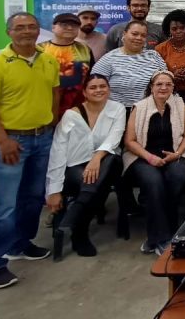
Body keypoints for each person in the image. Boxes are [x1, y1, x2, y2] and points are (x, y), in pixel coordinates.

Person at [0, 12, 60, 289]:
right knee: (3, 205)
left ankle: (20, 244)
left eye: (32, 27)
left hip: (42, 138)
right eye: (20, 28)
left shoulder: (48, 60)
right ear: (9, 32)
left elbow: (54, 94)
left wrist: (50, 123)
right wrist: (2, 140)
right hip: (11, 142)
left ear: (39, 31)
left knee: (33, 197)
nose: (27, 32)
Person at [45, 74, 125, 257]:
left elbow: (115, 137)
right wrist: (54, 190)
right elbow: (58, 152)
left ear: (108, 89)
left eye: (102, 86)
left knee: (112, 160)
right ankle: (80, 230)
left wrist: (97, 158)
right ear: (85, 92)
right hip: (75, 165)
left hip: (105, 161)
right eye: (93, 87)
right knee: (96, 184)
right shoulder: (71, 115)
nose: (99, 90)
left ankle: (76, 220)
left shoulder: (117, 109)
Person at [122, 70, 185, 256]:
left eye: (168, 84)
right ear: (151, 87)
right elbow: (130, 141)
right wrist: (150, 157)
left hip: (173, 154)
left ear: (173, 87)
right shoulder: (140, 106)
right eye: (159, 84)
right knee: (154, 183)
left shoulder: (179, 104)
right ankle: (160, 238)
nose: (164, 88)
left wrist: (177, 153)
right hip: (143, 156)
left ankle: (166, 234)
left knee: (177, 176)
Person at [91, 21, 167, 110]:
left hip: (151, 110)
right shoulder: (109, 58)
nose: (139, 38)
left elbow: (166, 81)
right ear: (124, 34)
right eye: (134, 34)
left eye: (143, 35)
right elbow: (94, 86)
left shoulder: (154, 56)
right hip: (118, 112)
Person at [40, 13, 95, 123]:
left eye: (74, 26)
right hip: (44, 105)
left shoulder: (84, 49)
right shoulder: (40, 49)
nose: (69, 28)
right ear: (53, 27)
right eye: (64, 25)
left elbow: (91, 77)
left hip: (76, 108)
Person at [155, 9, 185, 108]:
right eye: (174, 29)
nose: (178, 31)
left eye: (182, 28)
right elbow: (156, 74)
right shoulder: (160, 48)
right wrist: (171, 76)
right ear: (169, 30)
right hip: (169, 94)